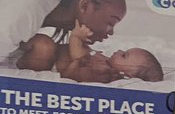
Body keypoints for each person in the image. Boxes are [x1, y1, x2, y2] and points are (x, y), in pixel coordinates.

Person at [1, 0, 126, 58]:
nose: (111, 32)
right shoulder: (29, 6)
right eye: (111, 22)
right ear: (85, 6)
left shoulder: (38, 4)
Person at [17, 19, 163, 83]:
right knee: (41, 41)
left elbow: (78, 59)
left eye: (124, 55)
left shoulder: (102, 72)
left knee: (43, 45)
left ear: (128, 75)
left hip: (49, 62)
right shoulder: (105, 61)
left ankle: (15, 45)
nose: (118, 50)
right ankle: (15, 45)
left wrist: (76, 37)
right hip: (55, 54)